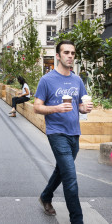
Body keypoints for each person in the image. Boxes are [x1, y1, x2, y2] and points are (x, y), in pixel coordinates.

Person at [34, 40, 93, 224]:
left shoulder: (77, 80)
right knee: (70, 177)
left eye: (73, 53)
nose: (70, 56)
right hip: (56, 133)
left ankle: (45, 196)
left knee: (62, 170)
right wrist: (56, 108)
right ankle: (77, 220)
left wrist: (85, 108)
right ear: (58, 56)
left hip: (74, 132)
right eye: (66, 52)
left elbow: (80, 106)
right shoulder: (47, 80)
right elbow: (37, 107)